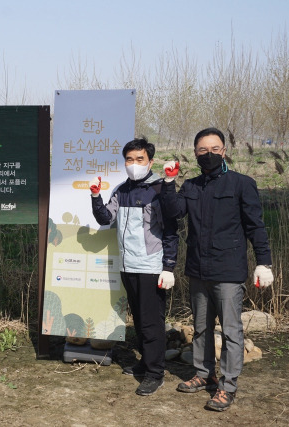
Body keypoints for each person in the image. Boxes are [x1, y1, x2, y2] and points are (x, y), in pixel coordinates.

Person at [161, 127, 274, 411]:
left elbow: (255, 226)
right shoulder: (191, 186)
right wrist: (168, 183)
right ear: (195, 154)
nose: (208, 154)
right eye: (202, 150)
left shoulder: (241, 184)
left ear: (224, 151)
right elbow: (174, 212)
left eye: (214, 149)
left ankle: (227, 386)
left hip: (228, 270)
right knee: (201, 328)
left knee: (231, 332)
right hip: (198, 269)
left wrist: (264, 261)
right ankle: (203, 374)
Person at [91, 137, 178, 396]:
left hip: (152, 266)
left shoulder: (161, 190)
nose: (134, 164)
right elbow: (106, 218)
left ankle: (155, 373)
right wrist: (95, 196)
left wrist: (169, 267)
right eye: (129, 159)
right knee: (139, 319)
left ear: (150, 161)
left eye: (139, 159)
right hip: (128, 265)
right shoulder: (121, 190)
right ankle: (145, 363)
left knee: (152, 321)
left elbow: (172, 230)